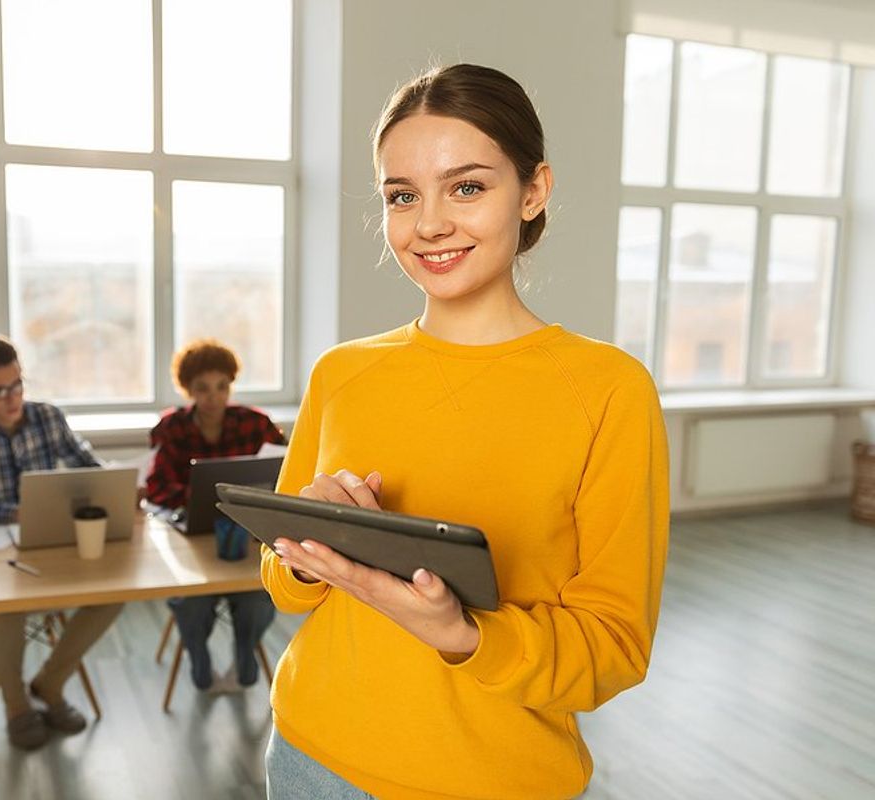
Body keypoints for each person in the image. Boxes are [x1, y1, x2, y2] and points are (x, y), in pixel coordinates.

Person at [261, 64, 669, 799]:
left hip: (493, 778)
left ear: (534, 190)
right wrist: (305, 552)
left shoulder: (608, 390)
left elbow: (613, 646)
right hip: (308, 755)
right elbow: (284, 586)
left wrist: (464, 634)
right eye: (402, 196)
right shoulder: (341, 373)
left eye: (468, 187)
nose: (429, 224)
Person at [0, 336, 123, 751]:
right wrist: (7, 511)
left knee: (115, 593)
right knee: (4, 608)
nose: (11, 398)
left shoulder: (48, 418)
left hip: (51, 549)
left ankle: (49, 683)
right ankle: (17, 707)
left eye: (17, 385)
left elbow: (90, 467)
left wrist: (118, 489)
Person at [146, 339, 284, 691]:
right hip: (190, 540)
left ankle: (244, 654)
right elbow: (157, 486)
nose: (214, 396)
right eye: (202, 388)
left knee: (257, 598)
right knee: (191, 601)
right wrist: (193, 499)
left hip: (247, 536)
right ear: (188, 389)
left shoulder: (256, 423)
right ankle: (199, 660)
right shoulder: (172, 428)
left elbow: (286, 476)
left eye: (222, 387)